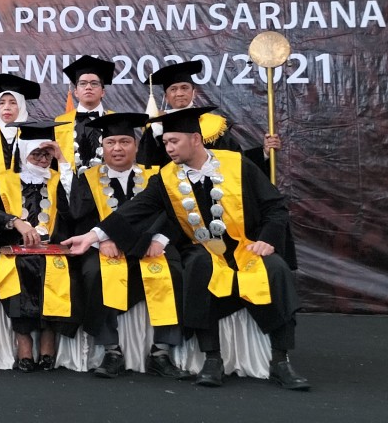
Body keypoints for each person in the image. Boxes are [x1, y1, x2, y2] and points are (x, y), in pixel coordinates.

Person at [64, 107, 309, 391]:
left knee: (275, 269)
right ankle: (212, 358)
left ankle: (281, 361)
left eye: (174, 141)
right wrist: (93, 235)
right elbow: (135, 209)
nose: (168, 148)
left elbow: (274, 205)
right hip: (202, 247)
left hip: (246, 244)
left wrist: (267, 238)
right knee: (198, 267)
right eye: (165, 142)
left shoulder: (236, 164)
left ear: (195, 138)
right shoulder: (166, 178)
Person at [70, 112, 186, 379]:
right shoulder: (87, 178)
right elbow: (79, 219)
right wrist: (103, 241)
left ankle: (161, 351)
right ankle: (112, 351)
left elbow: (174, 213)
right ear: (103, 147)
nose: (118, 148)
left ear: (135, 146)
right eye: (111, 143)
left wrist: (160, 239)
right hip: (106, 247)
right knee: (94, 273)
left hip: (150, 247)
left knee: (172, 269)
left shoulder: (156, 175)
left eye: (124, 141)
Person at [0, 121, 81, 372]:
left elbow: (77, 206)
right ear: (23, 152)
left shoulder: (59, 180)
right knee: (20, 270)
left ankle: (48, 339)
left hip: (54, 250)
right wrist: (14, 222)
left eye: (47, 154)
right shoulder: (4, 181)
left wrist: (62, 158)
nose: (43, 159)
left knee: (56, 271)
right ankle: (24, 341)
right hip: (15, 250)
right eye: (36, 153)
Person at [137, 60, 280, 170]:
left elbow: (234, 160)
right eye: (173, 89)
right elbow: (147, 165)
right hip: (171, 193)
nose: (179, 93)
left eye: (184, 88)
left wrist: (264, 153)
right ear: (166, 97)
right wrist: (157, 131)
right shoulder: (155, 127)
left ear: (194, 93)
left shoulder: (214, 125)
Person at [0, 73, 41, 191]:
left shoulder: (35, 138)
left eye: (13, 102)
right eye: (2, 102)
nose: (6, 107)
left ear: (21, 106)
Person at [54, 56, 116, 175]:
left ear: (103, 92)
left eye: (94, 83)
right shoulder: (60, 123)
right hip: (71, 187)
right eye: (82, 84)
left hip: (107, 185)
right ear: (76, 92)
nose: (88, 87)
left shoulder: (115, 119)